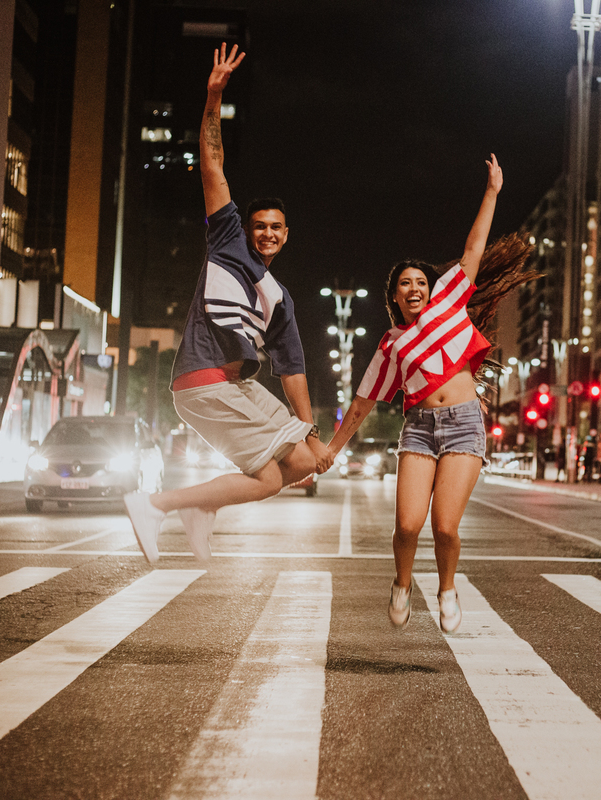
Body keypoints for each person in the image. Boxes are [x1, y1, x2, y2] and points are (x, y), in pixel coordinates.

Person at [124, 43, 329, 564]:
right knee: (265, 479)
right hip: (203, 382)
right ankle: (158, 504)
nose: (265, 233)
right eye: (259, 225)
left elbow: (294, 370)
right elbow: (212, 166)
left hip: (235, 385)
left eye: (274, 227)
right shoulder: (227, 240)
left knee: (298, 464)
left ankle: (201, 508)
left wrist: (313, 436)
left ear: (286, 235)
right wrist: (213, 97)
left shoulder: (278, 297)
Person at [317, 154, 535, 634]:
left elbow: (474, 247)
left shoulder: (451, 303)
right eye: (404, 285)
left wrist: (493, 191)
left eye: (419, 281)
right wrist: (332, 450)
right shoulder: (390, 344)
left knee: (445, 527)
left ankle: (447, 588)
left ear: (430, 288)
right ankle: (401, 584)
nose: (413, 288)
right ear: (393, 296)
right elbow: (362, 404)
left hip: (462, 424)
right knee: (408, 526)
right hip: (418, 430)